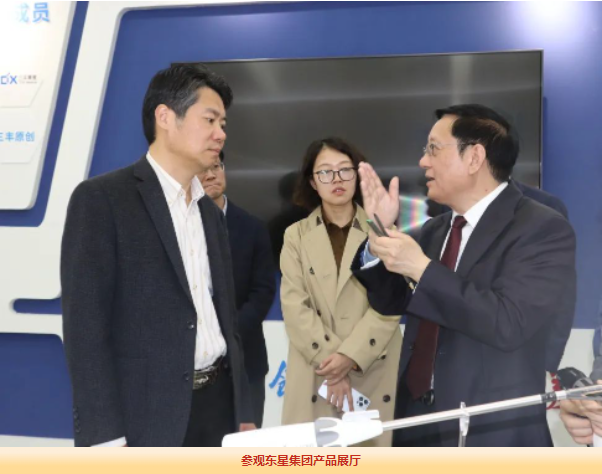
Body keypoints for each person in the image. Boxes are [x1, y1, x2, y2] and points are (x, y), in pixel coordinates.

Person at [351, 104, 577, 446]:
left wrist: (422, 268)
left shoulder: (541, 228)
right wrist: (378, 233)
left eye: (433, 149)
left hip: (489, 430)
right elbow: (390, 301)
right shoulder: (435, 230)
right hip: (417, 420)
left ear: (474, 157)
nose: (422, 161)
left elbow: (508, 322)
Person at [61, 64, 254, 447]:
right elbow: (85, 331)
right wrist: (104, 438)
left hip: (218, 408)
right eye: (210, 120)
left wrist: (242, 410)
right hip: (145, 417)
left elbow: (226, 322)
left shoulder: (209, 212)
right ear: (165, 116)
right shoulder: (102, 200)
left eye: (223, 124)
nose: (221, 134)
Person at [279, 137, 402, 447]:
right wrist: (334, 367)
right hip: (317, 370)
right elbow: (295, 307)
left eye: (345, 170)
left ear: (357, 175)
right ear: (312, 181)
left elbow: (390, 304)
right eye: (325, 172)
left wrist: (350, 356)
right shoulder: (295, 236)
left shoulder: (383, 230)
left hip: (371, 366)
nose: (336, 179)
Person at [199, 151, 276, 427]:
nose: (211, 175)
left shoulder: (253, 227)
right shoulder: (178, 229)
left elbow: (263, 291)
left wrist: (228, 331)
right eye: (202, 169)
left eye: (216, 167)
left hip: (246, 359)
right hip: (194, 367)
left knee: (246, 445)